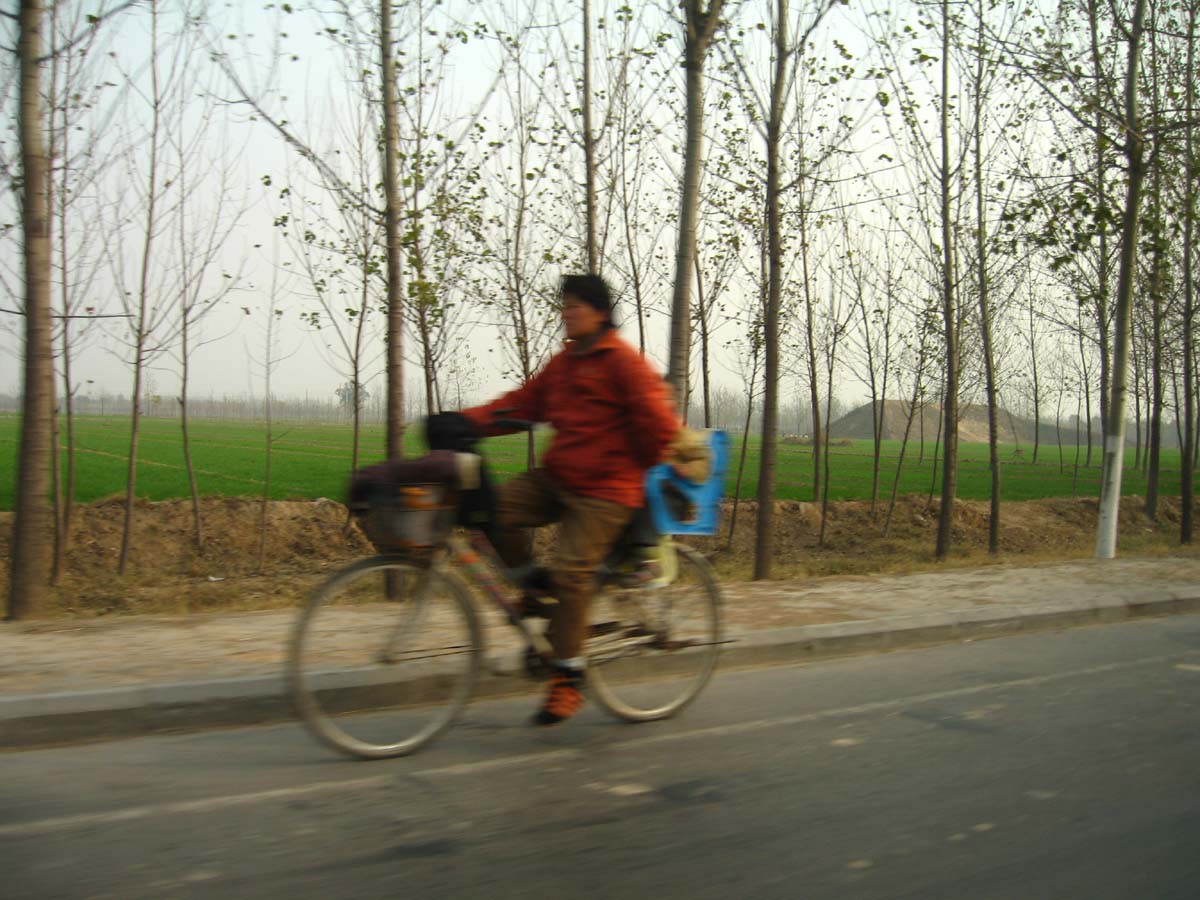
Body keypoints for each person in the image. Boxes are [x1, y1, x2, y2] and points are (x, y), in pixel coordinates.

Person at [457, 274, 679, 726]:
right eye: (564, 304)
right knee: (491, 510)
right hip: (560, 478)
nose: (566, 312)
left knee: (573, 572)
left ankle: (568, 678)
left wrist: (629, 467)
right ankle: (536, 593)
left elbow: (660, 428)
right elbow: (522, 405)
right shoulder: (566, 363)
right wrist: (464, 422)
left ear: (599, 312)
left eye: (575, 305)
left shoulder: (623, 363)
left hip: (606, 492)